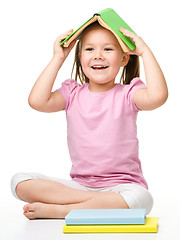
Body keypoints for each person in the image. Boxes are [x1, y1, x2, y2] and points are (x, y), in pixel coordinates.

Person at [11, 22, 168, 220]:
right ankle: (90, 204)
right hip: (80, 185)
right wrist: (58, 57)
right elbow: (37, 101)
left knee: (142, 199)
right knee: (19, 181)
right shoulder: (72, 93)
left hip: (121, 186)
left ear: (124, 58)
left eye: (108, 49)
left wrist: (144, 52)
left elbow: (158, 96)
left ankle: (64, 210)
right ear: (80, 57)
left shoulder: (129, 94)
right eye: (90, 49)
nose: (98, 55)